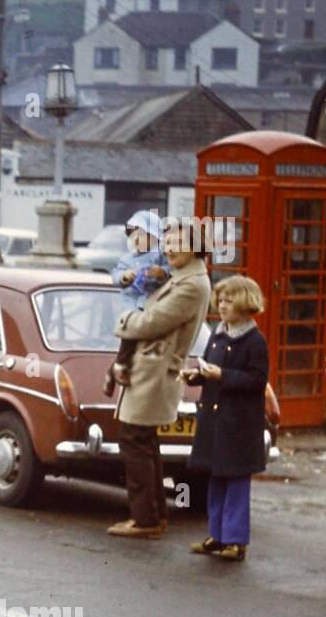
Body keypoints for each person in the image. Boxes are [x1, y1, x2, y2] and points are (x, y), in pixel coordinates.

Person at [107, 220, 211, 539]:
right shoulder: (184, 278)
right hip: (152, 367)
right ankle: (153, 515)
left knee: (134, 439)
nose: (169, 248)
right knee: (144, 440)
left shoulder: (191, 284)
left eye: (177, 242)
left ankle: (145, 519)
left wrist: (124, 320)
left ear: (194, 245)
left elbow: (151, 322)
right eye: (167, 242)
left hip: (155, 369)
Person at [184, 276, 269, 563]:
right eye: (219, 300)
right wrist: (195, 376)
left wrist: (222, 376)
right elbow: (210, 372)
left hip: (239, 424)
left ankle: (235, 540)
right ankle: (217, 535)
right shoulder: (218, 336)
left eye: (228, 301)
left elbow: (257, 381)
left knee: (236, 482)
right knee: (215, 478)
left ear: (245, 305)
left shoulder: (255, 341)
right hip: (215, 421)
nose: (221, 305)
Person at [104, 210, 170, 397]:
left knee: (140, 344)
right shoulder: (127, 258)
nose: (136, 241)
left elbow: (171, 272)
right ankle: (119, 366)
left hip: (152, 302)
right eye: (132, 236)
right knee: (131, 334)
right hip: (133, 302)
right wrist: (125, 277)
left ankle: (112, 371)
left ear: (154, 236)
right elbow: (115, 276)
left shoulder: (160, 255)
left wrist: (161, 273)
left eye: (141, 236)